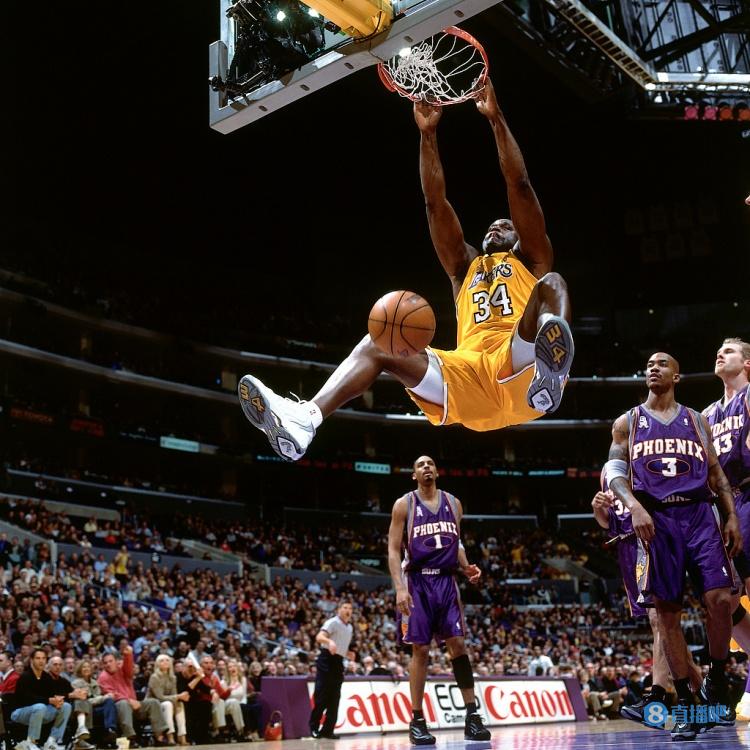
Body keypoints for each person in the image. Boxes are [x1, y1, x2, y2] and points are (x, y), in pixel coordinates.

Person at [237, 78, 574, 462]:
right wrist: (427, 135)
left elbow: (520, 184)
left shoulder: (532, 259)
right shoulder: (463, 269)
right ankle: (305, 420)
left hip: (521, 371)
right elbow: (435, 203)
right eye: (492, 225)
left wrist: (496, 119)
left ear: (520, 236)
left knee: (553, 284)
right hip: (468, 378)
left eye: (505, 225)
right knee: (378, 342)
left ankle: (552, 372)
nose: (496, 227)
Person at [605, 352, 742, 741]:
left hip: (699, 515)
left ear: (676, 376)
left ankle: (717, 675)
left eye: (662, 364)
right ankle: (686, 704)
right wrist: (634, 507)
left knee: (721, 600)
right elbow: (614, 471)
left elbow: (715, 472)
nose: (653, 368)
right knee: (666, 616)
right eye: (649, 364)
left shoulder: (696, 420)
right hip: (657, 519)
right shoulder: (628, 422)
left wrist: (731, 516)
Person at [388, 455, 491, 745]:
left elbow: (456, 542)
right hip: (417, 582)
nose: (426, 467)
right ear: (414, 475)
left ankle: (472, 717)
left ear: (437, 471)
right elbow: (393, 550)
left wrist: (466, 566)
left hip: (446, 581)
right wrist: (399, 588)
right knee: (420, 650)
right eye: (420, 465)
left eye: (430, 463)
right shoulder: (403, 504)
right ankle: (417, 720)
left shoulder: (453, 503)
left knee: (458, 644)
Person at [97, 645, 168, 746]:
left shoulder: (122, 670)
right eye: (105, 663)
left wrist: (128, 655)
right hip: (118, 709)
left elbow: (129, 668)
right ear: (103, 665)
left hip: (134, 705)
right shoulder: (102, 677)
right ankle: (130, 738)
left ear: (116, 661)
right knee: (123, 703)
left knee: (153, 702)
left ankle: (159, 737)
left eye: (110, 661)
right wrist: (129, 700)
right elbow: (112, 695)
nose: (108, 664)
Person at [308, 601, 354, 740]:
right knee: (322, 696)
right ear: (339, 609)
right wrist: (329, 642)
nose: (348, 610)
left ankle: (328, 730)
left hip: (338, 661)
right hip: (326, 660)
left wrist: (348, 653)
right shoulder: (332, 622)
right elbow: (319, 637)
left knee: (335, 698)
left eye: (350, 608)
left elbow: (341, 647)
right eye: (345, 607)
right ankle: (314, 727)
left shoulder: (350, 627)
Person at [11, 648, 72, 750]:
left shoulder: (46, 677)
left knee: (65, 706)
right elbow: (25, 699)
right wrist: (48, 700)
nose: (41, 661)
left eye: (43, 658)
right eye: (38, 658)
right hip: (20, 712)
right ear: (32, 660)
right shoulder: (25, 676)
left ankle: (52, 741)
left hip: (41, 712)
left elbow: (52, 694)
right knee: (40, 707)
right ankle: (31, 742)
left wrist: (57, 700)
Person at [46, 655, 95, 750]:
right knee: (69, 705)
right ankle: (78, 735)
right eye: (55, 664)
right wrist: (72, 695)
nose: (58, 667)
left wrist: (80, 693)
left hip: (66, 707)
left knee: (82, 700)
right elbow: (51, 695)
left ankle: (81, 732)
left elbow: (72, 692)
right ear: (49, 666)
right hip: (50, 707)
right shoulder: (44, 678)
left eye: (60, 665)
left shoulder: (63, 680)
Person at [71, 659, 119, 748]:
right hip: (83, 710)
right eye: (84, 667)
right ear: (79, 669)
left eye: (88, 667)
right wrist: (103, 698)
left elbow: (98, 698)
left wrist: (105, 698)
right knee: (106, 699)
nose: (86, 669)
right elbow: (85, 701)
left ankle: (111, 730)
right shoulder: (75, 683)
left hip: (95, 709)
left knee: (109, 701)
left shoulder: (94, 682)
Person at [147, 654, 189, 746]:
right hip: (154, 704)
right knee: (168, 704)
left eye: (167, 660)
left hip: (166, 702)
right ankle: (170, 736)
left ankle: (182, 736)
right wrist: (178, 696)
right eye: (162, 661)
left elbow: (174, 694)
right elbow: (159, 697)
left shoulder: (173, 677)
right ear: (157, 664)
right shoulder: (154, 677)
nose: (165, 662)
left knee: (179, 704)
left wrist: (178, 698)